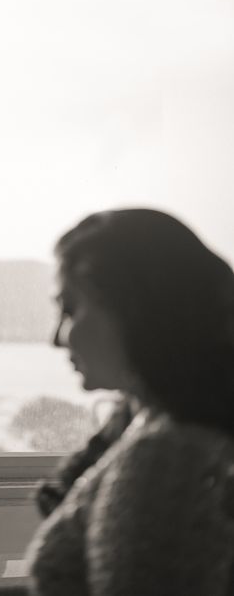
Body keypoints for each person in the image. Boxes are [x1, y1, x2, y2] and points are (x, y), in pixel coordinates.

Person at [26, 208, 234, 596]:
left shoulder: (167, 455)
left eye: (70, 308)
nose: (56, 338)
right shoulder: (157, 428)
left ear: (132, 309)